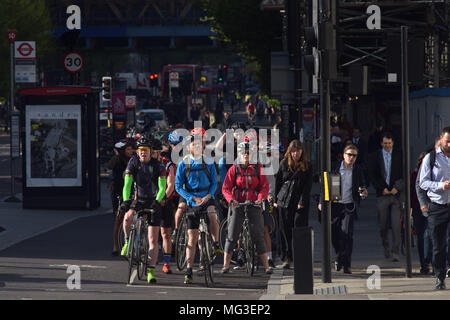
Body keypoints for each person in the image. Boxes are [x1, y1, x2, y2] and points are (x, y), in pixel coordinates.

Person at [175, 128, 222, 284]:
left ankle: (215, 243)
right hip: (192, 199)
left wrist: (209, 195)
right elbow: (178, 186)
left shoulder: (208, 162)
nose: (196, 147)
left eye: (199, 144)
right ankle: (189, 270)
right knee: (192, 237)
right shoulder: (183, 163)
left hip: (206, 196)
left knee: (212, 214)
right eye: (193, 144)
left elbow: (215, 182)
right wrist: (190, 198)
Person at [119, 136, 167, 284]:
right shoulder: (133, 162)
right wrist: (126, 201)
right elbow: (127, 184)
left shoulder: (158, 166)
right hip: (138, 200)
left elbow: (162, 188)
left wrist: (157, 202)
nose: (142, 153)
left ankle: (151, 272)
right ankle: (127, 241)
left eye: (145, 150)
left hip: (153, 201)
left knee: (153, 239)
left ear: (151, 151)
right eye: (140, 150)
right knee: (127, 218)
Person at [221, 141, 273, 274]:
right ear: (238, 154)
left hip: (253, 203)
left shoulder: (257, 168)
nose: (246, 155)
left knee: (258, 235)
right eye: (243, 153)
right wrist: (232, 200)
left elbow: (264, 186)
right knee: (232, 235)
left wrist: (259, 199)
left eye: (248, 153)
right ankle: (225, 265)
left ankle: (267, 266)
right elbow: (226, 188)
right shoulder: (234, 168)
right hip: (238, 204)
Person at [319, 144, 367, 274]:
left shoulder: (357, 170)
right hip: (335, 204)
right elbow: (324, 185)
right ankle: (339, 256)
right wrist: (321, 201)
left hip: (349, 206)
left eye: (354, 156)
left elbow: (362, 185)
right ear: (343, 155)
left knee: (347, 234)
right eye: (349, 155)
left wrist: (363, 192)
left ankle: (347, 264)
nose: (351, 158)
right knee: (334, 235)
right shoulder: (334, 167)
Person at [419, 127, 450, 290]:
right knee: (438, 245)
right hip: (437, 206)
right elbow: (423, 182)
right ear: (441, 139)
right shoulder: (430, 158)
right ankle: (439, 276)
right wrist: (440, 185)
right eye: (447, 141)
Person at [275, 140, 313, 269]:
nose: (296, 153)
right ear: (289, 152)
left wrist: (302, 201)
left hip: (299, 203)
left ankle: (299, 257)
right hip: (284, 202)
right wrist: (275, 200)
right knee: (285, 229)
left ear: (302, 151)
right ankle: (287, 257)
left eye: (298, 151)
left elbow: (307, 187)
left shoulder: (307, 166)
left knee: (299, 227)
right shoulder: (284, 164)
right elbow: (278, 183)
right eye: (293, 151)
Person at [369, 132, 403, 262]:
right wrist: (381, 188)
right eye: (385, 143)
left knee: (396, 225)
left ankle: (395, 251)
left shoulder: (400, 154)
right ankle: (386, 245)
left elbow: (404, 172)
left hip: (396, 194)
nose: (387, 145)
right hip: (382, 194)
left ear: (393, 143)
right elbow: (373, 174)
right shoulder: (375, 156)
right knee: (383, 225)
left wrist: (397, 187)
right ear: (381, 144)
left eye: (389, 143)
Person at [108, 139, 135, 256]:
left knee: (131, 217)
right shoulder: (116, 160)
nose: (130, 151)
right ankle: (115, 246)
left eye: (131, 149)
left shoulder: (134, 160)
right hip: (118, 192)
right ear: (122, 151)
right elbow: (110, 167)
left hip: (132, 191)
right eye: (128, 149)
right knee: (118, 219)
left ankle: (130, 242)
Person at [151, 138, 174, 275]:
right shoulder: (143, 164)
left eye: (154, 151)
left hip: (164, 202)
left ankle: (166, 263)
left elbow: (170, 184)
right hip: (148, 200)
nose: (152, 154)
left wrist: (162, 198)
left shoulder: (168, 165)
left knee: (166, 233)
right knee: (151, 235)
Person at [412, 152, 433, 275]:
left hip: (433, 208)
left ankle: (429, 261)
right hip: (418, 209)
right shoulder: (415, 174)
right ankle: (424, 263)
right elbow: (413, 192)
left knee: (430, 235)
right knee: (422, 236)